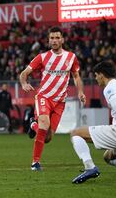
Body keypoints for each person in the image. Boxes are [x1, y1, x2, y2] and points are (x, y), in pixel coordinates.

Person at [19, 26, 86, 171]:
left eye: (57, 38)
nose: (54, 40)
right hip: (44, 97)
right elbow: (24, 73)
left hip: (60, 102)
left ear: (62, 39)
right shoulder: (42, 57)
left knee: (47, 138)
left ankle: (32, 125)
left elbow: (76, 76)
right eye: (52, 38)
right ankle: (35, 163)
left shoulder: (71, 57)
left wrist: (80, 92)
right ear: (48, 40)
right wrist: (24, 83)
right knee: (44, 123)